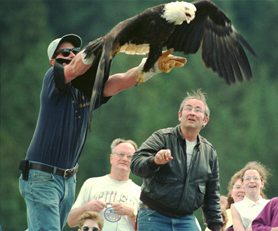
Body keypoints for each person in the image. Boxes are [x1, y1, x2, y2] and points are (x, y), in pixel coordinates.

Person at [18, 34, 186, 230]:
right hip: (43, 175)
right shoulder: (52, 80)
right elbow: (75, 68)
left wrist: (152, 66)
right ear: (53, 61)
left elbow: (121, 80)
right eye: (65, 52)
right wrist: (107, 43)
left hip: (67, 179)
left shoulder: (85, 92)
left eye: (75, 51)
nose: (72, 54)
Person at [130, 89, 223, 231]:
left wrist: (215, 226)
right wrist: (154, 161)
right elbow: (136, 164)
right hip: (154, 214)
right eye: (188, 108)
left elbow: (212, 194)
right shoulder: (162, 137)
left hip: (186, 218)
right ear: (180, 116)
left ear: (205, 120)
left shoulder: (209, 152)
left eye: (198, 110)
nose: (192, 112)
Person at [67, 138, 140, 230]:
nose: (125, 159)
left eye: (130, 156)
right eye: (121, 154)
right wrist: (86, 208)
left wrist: (131, 213)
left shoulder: (140, 192)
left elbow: (146, 228)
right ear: (111, 158)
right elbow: (71, 221)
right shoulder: (91, 184)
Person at [231, 161, 270, 231]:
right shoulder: (236, 207)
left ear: (262, 183)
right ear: (242, 184)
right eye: (247, 178)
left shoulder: (270, 204)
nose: (252, 181)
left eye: (255, 178)